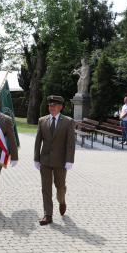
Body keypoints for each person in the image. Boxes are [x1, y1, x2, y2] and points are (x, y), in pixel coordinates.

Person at [34, 95, 76, 226]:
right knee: (46, 188)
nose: (51, 108)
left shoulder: (68, 122)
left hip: (61, 161)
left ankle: (62, 201)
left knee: (60, 186)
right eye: (50, 105)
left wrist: (69, 160)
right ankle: (48, 214)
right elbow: (38, 141)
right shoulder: (42, 120)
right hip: (45, 160)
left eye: (54, 105)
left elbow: (70, 143)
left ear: (60, 107)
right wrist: (36, 158)